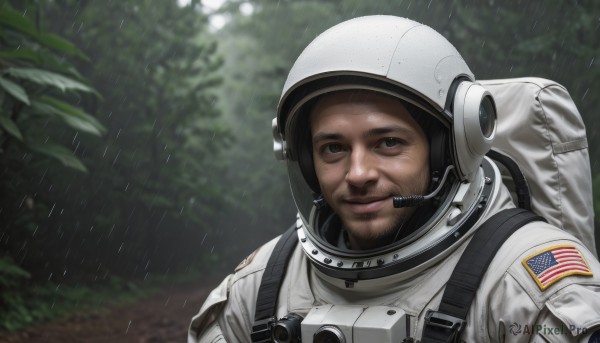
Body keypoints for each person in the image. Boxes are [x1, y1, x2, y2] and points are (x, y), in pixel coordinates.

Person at [189, 15, 600, 342]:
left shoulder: (527, 292)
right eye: (333, 148)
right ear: (306, 162)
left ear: (449, 147)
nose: (358, 174)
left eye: (387, 142)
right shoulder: (260, 288)